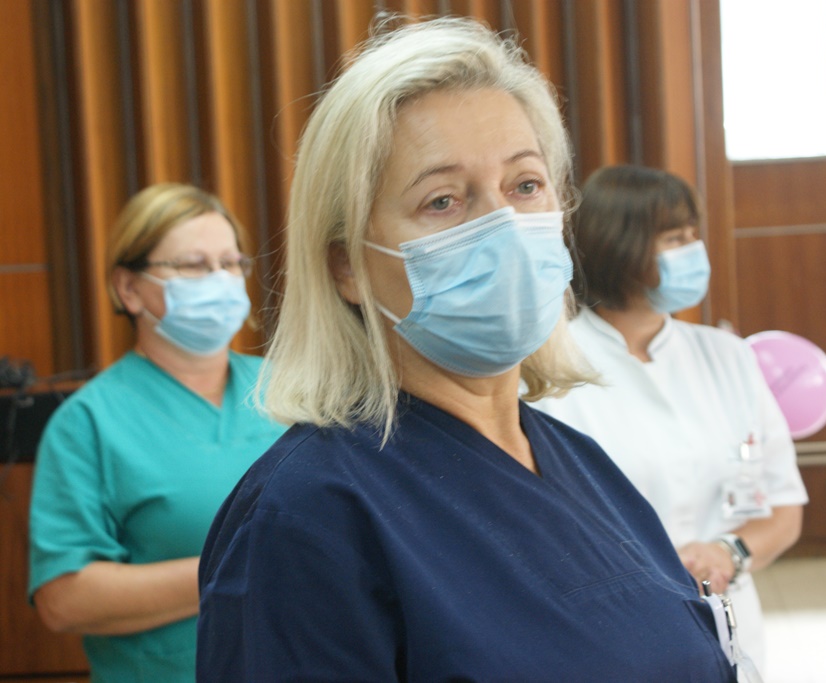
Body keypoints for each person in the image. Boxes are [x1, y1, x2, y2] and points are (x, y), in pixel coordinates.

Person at [196, 17, 736, 682]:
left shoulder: (579, 463)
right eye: (444, 200)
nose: (503, 227)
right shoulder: (308, 515)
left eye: (525, 185)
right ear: (346, 265)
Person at [533, 164, 809, 676]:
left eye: (692, 235)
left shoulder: (727, 355)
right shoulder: (549, 368)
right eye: (675, 239)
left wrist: (727, 552)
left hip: (727, 622)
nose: (694, 251)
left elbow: (783, 508)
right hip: (609, 631)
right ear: (620, 247)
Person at [28, 183, 286, 682]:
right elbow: (64, 598)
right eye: (193, 265)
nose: (220, 280)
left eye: (231, 263)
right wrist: (237, 566)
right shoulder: (89, 422)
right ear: (129, 288)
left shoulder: (291, 392)